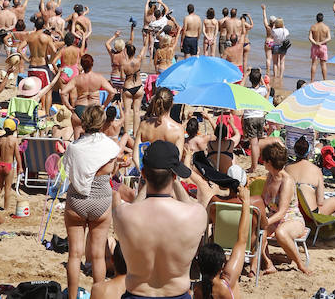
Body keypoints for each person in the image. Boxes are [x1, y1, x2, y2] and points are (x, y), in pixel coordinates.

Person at [114, 141, 207, 299]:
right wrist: (175, 182)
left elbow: (134, 206)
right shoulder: (196, 215)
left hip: (137, 293)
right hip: (176, 293)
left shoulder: (123, 214)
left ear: (143, 174)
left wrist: (147, 183)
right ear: (174, 176)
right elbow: (192, 205)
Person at [63, 105, 122, 299]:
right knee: (98, 255)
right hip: (101, 199)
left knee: (74, 255)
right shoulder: (111, 146)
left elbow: (69, 173)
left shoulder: (74, 147)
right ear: (102, 122)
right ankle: (99, 294)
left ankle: (72, 297)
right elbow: (112, 172)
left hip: (77, 200)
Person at [257, 142, 311, 275]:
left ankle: (300, 264)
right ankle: (268, 263)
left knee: (281, 233)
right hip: (274, 217)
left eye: (264, 159)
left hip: (292, 218)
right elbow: (263, 200)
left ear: (269, 161)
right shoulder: (270, 176)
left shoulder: (286, 180)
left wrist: (265, 222)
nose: (262, 162)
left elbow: (282, 212)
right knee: (257, 230)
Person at [196, 184, 252, 299]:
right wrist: (246, 202)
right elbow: (242, 239)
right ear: (222, 266)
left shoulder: (197, 290)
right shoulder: (227, 283)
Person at [62, 54, 115, 139]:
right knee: (96, 138)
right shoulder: (99, 78)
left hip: (80, 109)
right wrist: (104, 105)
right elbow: (112, 92)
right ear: (92, 64)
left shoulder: (77, 79)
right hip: (95, 110)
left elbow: (63, 92)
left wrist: (68, 106)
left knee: (77, 137)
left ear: (82, 65)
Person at [286, 135, 335, 216]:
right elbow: (320, 202)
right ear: (309, 152)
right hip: (310, 215)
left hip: (291, 211)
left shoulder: (287, 168)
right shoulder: (316, 170)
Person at [133, 87, 184, 165]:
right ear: (172, 103)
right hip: (166, 173)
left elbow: (135, 156)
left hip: (148, 171)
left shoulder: (144, 125)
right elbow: (178, 158)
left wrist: (143, 172)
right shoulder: (178, 129)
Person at [0, 118, 21, 210]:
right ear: (14, 129)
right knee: (7, 188)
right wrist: (20, 167)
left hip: (0, 164)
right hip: (9, 166)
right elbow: (17, 155)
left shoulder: (1, 139)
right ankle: (6, 208)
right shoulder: (14, 140)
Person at [122, 31, 147, 136]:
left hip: (128, 87)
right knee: (137, 111)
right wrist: (147, 36)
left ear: (126, 52)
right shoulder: (138, 60)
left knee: (127, 111)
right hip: (138, 87)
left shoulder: (123, 64)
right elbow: (145, 46)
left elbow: (121, 77)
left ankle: (126, 134)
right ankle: (136, 133)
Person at [243, 69, 267, 173]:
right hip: (260, 117)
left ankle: (253, 167)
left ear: (250, 79)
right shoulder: (262, 90)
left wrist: (245, 75)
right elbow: (267, 87)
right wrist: (261, 76)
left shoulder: (248, 91)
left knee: (253, 144)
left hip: (250, 117)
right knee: (256, 143)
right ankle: (255, 165)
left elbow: (240, 86)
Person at [308, 13, 331, 82]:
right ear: (322, 18)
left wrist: (316, 43)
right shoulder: (326, 27)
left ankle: (312, 80)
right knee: (323, 64)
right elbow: (329, 38)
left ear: (316, 19)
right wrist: (321, 43)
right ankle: (324, 80)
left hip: (315, 47)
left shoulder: (313, 27)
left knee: (314, 64)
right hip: (323, 47)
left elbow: (310, 37)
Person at [270, 17, 290, 82]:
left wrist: (273, 27)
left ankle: (275, 75)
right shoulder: (285, 30)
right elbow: (287, 34)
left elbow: (271, 35)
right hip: (283, 46)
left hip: (275, 46)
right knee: (282, 62)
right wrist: (284, 27)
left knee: (275, 63)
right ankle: (281, 76)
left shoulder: (274, 30)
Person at [260, 4, 276, 76]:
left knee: (268, 58)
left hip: (267, 42)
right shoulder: (276, 28)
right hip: (273, 42)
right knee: (274, 59)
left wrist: (264, 10)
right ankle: (275, 73)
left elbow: (264, 18)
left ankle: (268, 72)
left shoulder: (267, 27)